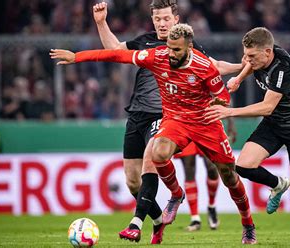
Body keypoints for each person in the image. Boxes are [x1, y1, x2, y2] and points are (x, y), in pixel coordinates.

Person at [50, 23, 257, 245]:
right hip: (175, 120)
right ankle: (176, 194)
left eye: (176, 49)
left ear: (189, 48)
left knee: (229, 177)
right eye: (168, 47)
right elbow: (116, 55)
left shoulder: (204, 66)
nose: (170, 53)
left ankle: (248, 224)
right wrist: (77, 57)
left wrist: (219, 102)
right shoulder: (156, 56)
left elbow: (223, 96)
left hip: (206, 123)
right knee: (158, 153)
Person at [91, 0, 241, 243]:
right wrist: (101, 23)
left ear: (176, 20)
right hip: (137, 114)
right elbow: (115, 50)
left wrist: (244, 66)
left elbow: (215, 67)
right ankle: (158, 220)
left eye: (166, 19)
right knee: (132, 181)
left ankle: (135, 224)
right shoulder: (145, 41)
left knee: (152, 162)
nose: (161, 24)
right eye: (157, 19)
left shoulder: (187, 46)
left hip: (166, 115)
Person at [204, 27, 290, 245]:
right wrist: (238, 78)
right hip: (275, 124)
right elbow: (250, 65)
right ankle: (277, 184)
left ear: (268, 52)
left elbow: (267, 107)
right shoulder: (260, 56)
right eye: (245, 54)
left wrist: (230, 112)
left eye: (252, 56)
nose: (247, 59)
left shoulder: (283, 69)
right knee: (244, 165)